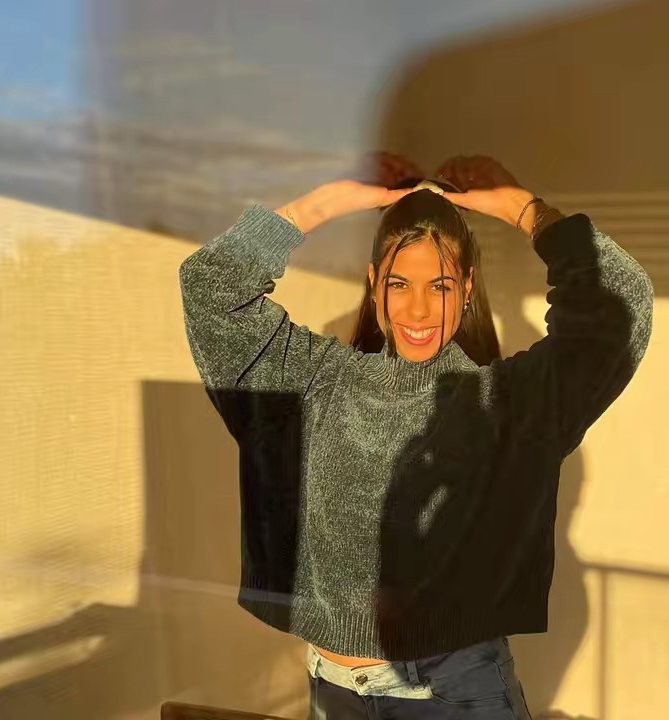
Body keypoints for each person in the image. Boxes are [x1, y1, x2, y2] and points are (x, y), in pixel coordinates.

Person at [179, 155, 653, 718]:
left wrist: (524, 210)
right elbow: (210, 288)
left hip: (457, 695)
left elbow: (620, 306)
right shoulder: (313, 382)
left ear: (468, 287)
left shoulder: (504, 404)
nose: (419, 309)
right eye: (399, 283)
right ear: (374, 282)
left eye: (441, 284)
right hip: (333, 694)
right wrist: (326, 203)